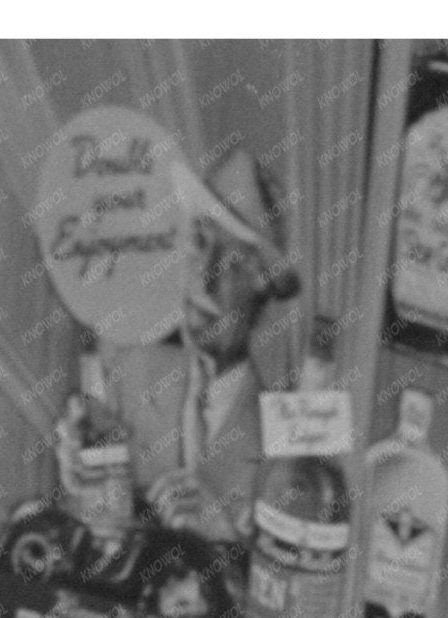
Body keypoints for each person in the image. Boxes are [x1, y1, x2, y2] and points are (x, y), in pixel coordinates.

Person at [94, 145, 298, 544]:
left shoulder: (282, 443)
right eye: (199, 243)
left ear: (262, 281)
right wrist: (79, 492)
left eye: (230, 262)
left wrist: (222, 540)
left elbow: (285, 592)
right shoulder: (126, 373)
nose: (202, 278)